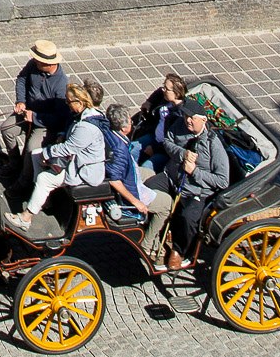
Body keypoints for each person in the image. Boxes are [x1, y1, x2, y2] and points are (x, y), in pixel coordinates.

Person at [141, 98, 231, 263]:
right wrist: (182, 154)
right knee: (147, 190)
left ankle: (180, 250)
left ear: (203, 120)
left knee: (187, 218)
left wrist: (194, 172)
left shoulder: (213, 145)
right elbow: (167, 142)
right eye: (186, 116)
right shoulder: (179, 126)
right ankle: (151, 233)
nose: (188, 120)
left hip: (195, 190)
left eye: (192, 118)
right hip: (172, 178)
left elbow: (222, 180)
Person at [12, 80, 107, 228]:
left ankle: (26, 218)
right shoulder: (81, 116)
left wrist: (47, 154)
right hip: (75, 162)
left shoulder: (87, 127)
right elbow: (69, 132)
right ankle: (45, 201)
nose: (68, 105)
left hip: (83, 171)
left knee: (44, 178)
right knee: (36, 154)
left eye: (70, 102)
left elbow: (68, 148)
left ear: (80, 102)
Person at [100, 100, 169, 242]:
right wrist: (136, 202)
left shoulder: (109, 133)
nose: (132, 122)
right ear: (124, 128)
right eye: (130, 121)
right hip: (128, 188)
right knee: (167, 203)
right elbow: (115, 180)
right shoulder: (119, 149)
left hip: (129, 173)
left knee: (151, 174)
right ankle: (149, 244)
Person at [10, 40, 74, 178]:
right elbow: (21, 79)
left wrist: (34, 117)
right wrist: (21, 101)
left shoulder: (61, 85)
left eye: (39, 61)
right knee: (6, 129)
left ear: (49, 64)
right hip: (26, 111)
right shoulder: (33, 65)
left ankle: (23, 182)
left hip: (45, 123)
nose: (35, 62)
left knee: (31, 149)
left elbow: (59, 119)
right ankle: (14, 163)